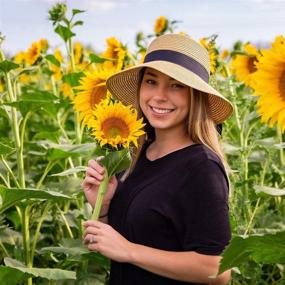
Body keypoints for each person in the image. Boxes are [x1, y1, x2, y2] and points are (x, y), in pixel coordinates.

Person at [82, 33, 233, 285]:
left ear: (195, 95)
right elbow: (123, 243)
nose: (159, 96)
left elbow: (218, 269)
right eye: (151, 82)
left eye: (176, 85)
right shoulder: (136, 156)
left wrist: (130, 251)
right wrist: (104, 207)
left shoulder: (200, 167)